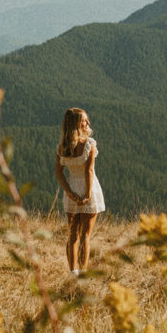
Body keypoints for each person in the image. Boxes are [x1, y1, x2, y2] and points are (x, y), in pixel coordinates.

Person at [54, 108, 105, 276]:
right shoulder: (89, 144)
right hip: (88, 188)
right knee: (86, 236)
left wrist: (68, 191)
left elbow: (59, 172)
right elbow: (89, 171)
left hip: (72, 189)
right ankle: (83, 272)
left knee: (72, 235)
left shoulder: (62, 147)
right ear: (77, 123)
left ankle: (72, 271)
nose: (88, 123)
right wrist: (88, 194)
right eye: (84, 120)